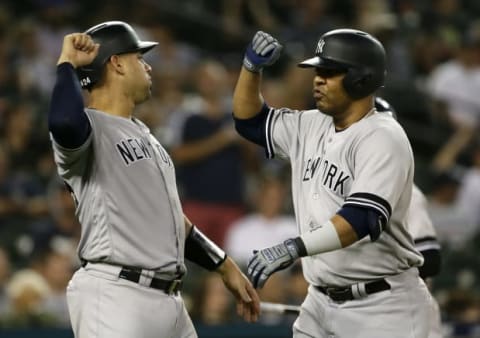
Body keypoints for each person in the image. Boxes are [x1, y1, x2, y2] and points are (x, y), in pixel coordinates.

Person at [47, 21, 259, 338]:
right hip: (117, 293)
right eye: (139, 57)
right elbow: (63, 120)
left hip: (169, 299)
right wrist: (66, 63)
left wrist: (224, 265)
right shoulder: (89, 129)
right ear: (116, 63)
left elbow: (173, 220)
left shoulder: (147, 135)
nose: (148, 66)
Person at [232, 29, 433, 337]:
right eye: (317, 70)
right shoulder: (311, 124)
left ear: (360, 79)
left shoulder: (383, 136)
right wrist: (250, 69)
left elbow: (361, 219)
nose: (317, 79)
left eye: (329, 72)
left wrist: (292, 248)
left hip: (382, 307)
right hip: (319, 302)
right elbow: (250, 122)